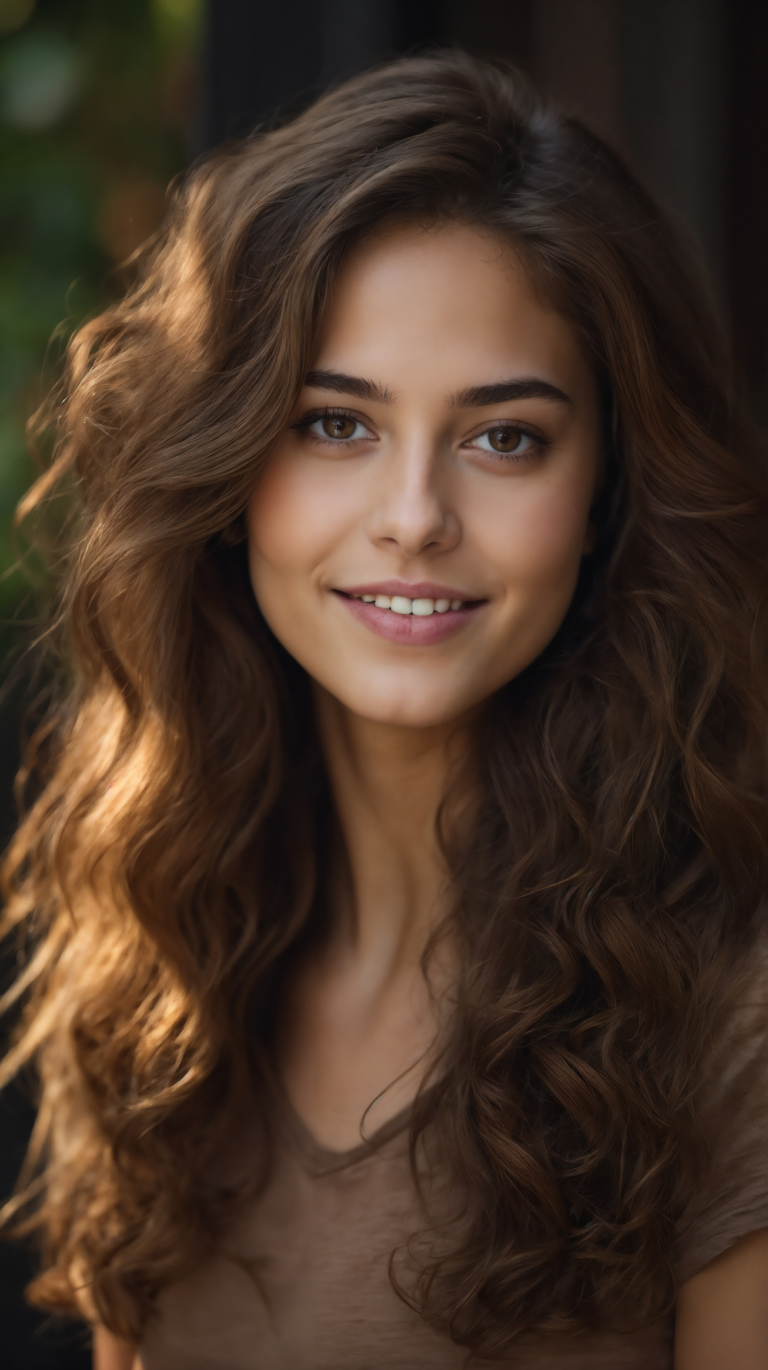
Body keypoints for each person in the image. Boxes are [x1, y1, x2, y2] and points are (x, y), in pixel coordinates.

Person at [2, 50, 768, 1370]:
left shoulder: (728, 1018)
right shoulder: (154, 957)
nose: (414, 516)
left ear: (606, 497)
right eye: (334, 425)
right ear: (231, 469)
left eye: (504, 437)